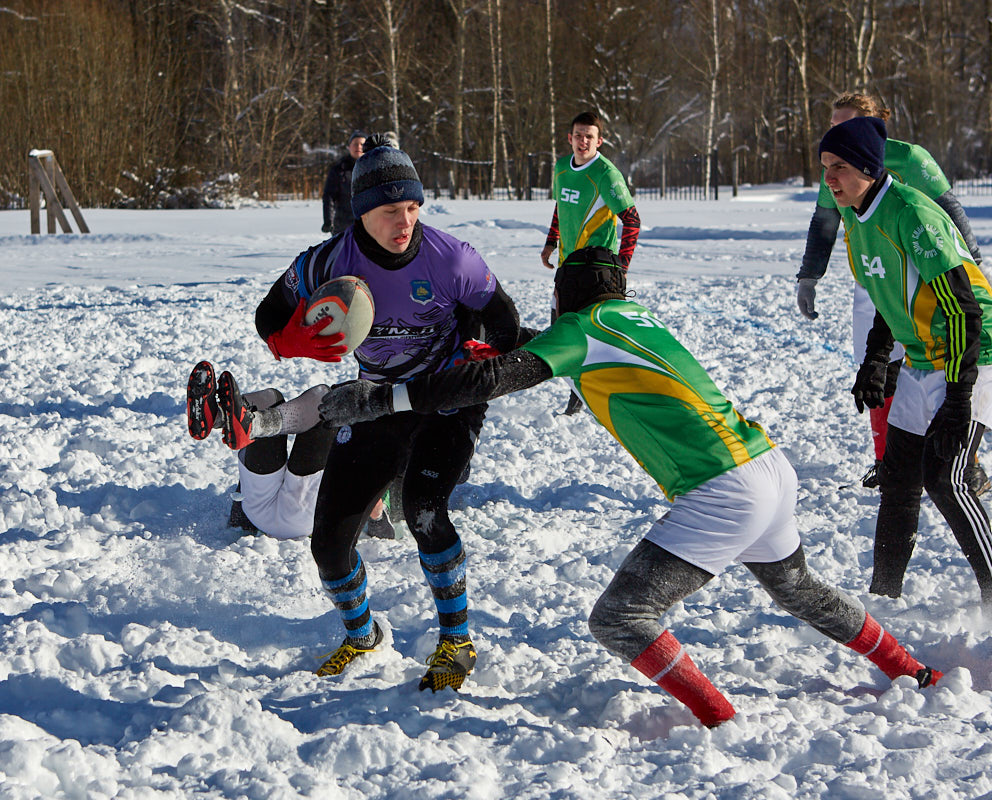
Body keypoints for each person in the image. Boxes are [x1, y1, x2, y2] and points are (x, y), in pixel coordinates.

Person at [317, 246, 943, 728]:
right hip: (769, 467)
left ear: (566, 298)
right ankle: (908, 668)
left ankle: (720, 721)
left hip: (725, 490)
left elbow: (492, 382)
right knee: (799, 590)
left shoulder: (581, 327)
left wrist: (385, 397)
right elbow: (547, 351)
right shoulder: (631, 318)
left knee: (620, 619)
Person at [257, 133, 522, 686]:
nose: (404, 223)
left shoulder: (452, 258)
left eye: (412, 207)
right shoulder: (330, 260)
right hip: (375, 402)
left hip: (446, 401)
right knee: (328, 544)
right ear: (360, 213)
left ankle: (457, 644)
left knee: (424, 507)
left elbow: (504, 321)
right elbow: (269, 316)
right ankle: (362, 637)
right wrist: (298, 341)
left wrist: (482, 353)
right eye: (388, 211)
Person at [818, 116, 992, 605]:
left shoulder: (911, 214)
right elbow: (889, 297)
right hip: (924, 354)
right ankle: (884, 598)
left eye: (839, 167)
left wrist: (957, 399)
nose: (829, 179)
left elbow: (963, 308)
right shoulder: (855, 217)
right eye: (824, 167)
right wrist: (876, 359)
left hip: (973, 350)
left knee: (946, 480)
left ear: (867, 165)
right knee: (898, 478)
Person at [795, 94, 990, 494]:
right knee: (876, 370)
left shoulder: (911, 159)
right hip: (874, 279)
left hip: (922, 275)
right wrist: (809, 275)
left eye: (844, 124)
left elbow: (948, 208)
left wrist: (970, 266)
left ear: (872, 127)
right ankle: (888, 460)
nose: (834, 133)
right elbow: (825, 222)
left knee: (937, 363)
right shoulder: (836, 165)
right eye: (832, 124)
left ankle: (964, 461)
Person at [185, 361, 394, 540]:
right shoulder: (376, 451)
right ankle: (232, 418)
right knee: (294, 405)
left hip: (262, 508)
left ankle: (218, 417)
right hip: (298, 516)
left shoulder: (376, 448)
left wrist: (239, 519)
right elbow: (379, 520)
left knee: (313, 400)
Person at [540, 111, 641, 415]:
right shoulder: (560, 168)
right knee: (560, 329)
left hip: (598, 269)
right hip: (567, 265)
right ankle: (581, 392)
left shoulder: (606, 174)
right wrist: (550, 242)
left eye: (589, 136)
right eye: (578, 135)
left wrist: (621, 267)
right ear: (570, 138)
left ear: (599, 141)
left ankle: (604, 394)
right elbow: (561, 206)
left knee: (594, 334)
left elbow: (632, 219)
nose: (583, 141)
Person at [322, 131, 367, 236]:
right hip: (343, 225)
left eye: (362, 144)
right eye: (355, 144)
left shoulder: (374, 168)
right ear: (349, 147)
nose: (359, 147)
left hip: (369, 225)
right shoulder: (339, 169)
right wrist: (328, 221)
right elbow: (329, 197)